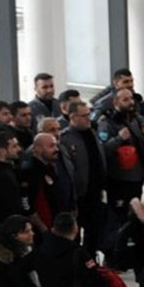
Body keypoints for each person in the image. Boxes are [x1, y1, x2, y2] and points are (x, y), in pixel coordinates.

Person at [58, 99, 108, 255]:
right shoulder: (66, 138)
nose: (89, 118)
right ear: (73, 117)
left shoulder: (92, 133)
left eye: (89, 114)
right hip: (78, 196)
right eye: (84, 115)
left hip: (95, 192)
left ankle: (90, 262)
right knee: (75, 233)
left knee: (94, 232)